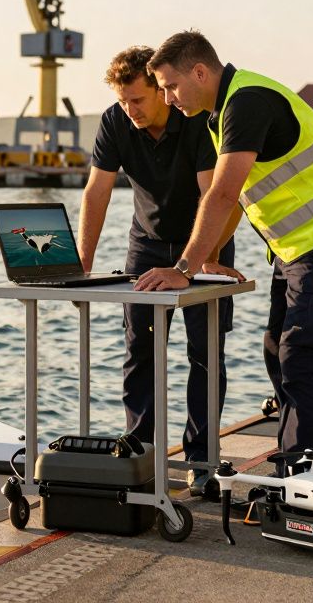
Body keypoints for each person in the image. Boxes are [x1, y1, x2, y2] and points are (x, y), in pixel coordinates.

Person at [142, 30, 313, 474]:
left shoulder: (246, 103)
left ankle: (300, 477)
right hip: (298, 248)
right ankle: (296, 463)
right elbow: (240, 196)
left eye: (171, 86)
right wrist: (210, 257)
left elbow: (222, 194)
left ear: (199, 72)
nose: (168, 99)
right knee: (277, 350)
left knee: (302, 357)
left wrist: (183, 268)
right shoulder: (224, 111)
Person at [76, 46, 242, 496]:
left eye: (138, 100)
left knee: (206, 354)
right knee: (140, 352)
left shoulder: (195, 119)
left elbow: (214, 196)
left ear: (161, 91)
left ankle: (202, 462)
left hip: (202, 244)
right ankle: (141, 454)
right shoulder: (115, 121)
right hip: (146, 247)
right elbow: (96, 192)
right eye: (123, 100)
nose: (130, 109)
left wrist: (202, 261)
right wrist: (82, 265)